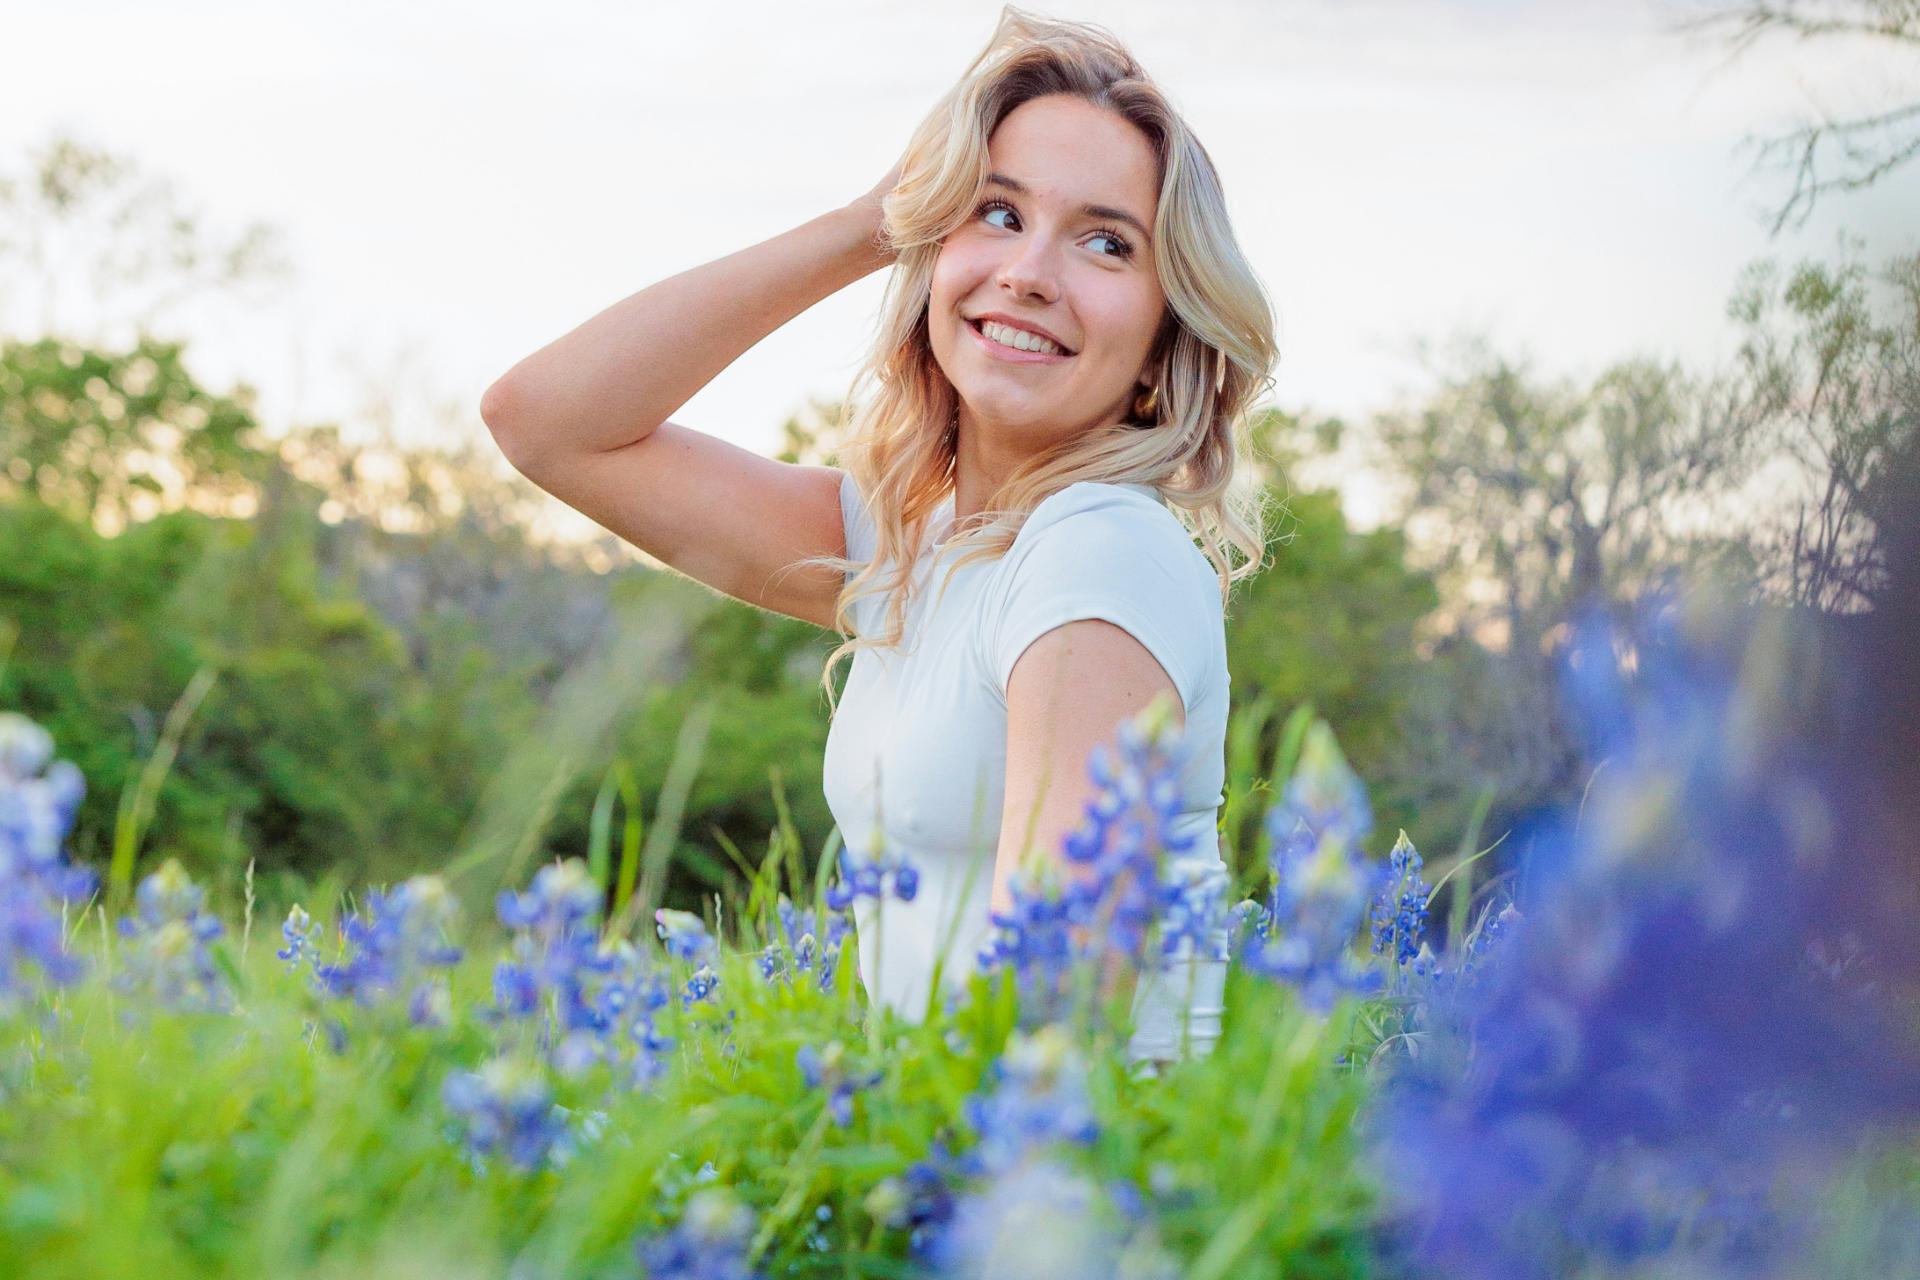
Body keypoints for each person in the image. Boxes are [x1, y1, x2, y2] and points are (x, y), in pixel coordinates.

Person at [478, 7, 1277, 1067]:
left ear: (1162, 336)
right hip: (936, 1143)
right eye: (996, 213)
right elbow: (546, 422)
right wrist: (871, 221)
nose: (1031, 270)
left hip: (1063, 1187)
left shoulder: (1100, 549)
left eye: (1103, 241)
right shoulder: (909, 544)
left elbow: (1058, 1004)